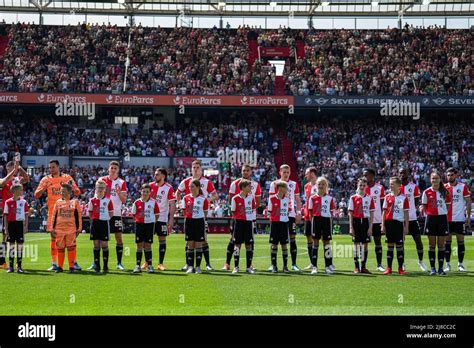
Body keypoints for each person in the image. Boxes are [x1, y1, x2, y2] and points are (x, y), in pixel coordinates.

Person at [34, 160, 81, 271]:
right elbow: (36, 195)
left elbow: (78, 192)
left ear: (58, 167)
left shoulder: (67, 178)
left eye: (53, 167)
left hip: (68, 214)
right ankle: (54, 263)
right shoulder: (45, 179)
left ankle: (73, 262)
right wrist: (43, 188)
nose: (51, 169)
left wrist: (73, 187)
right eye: (49, 167)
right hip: (53, 214)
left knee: (72, 239)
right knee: (54, 237)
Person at [176, 160, 218, 271]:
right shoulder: (186, 181)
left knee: (203, 239)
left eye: (197, 167)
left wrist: (206, 201)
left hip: (201, 215)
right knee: (188, 241)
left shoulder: (206, 182)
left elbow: (215, 196)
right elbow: (178, 193)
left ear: (201, 169)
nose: (195, 169)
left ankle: (208, 264)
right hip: (190, 215)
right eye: (193, 167)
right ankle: (188, 264)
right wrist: (180, 203)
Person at [90, 161, 128, 271]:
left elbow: (124, 200)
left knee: (118, 237)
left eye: (115, 168)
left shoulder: (121, 182)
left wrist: (119, 193)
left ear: (118, 170)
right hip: (101, 215)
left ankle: (119, 263)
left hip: (115, 214)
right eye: (112, 168)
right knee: (97, 240)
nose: (113, 170)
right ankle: (95, 262)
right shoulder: (101, 180)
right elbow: (95, 197)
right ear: (108, 169)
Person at [223, 164, 261, 271]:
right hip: (237, 218)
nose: (245, 172)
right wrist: (240, 211)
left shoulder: (255, 185)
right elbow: (231, 201)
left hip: (250, 218)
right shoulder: (235, 183)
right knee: (233, 240)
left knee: (250, 242)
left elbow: (257, 203)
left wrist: (248, 211)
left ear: (251, 172)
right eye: (244, 171)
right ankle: (227, 263)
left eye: (247, 171)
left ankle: (249, 264)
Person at [268, 164, 302, 271]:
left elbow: (297, 199)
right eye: (284, 172)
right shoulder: (274, 184)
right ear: (280, 172)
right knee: (275, 241)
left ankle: (294, 264)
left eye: (288, 172)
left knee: (292, 238)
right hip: (277, 216)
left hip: (290, 214)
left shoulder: (294, 184)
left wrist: (299, 212)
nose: (286, 174)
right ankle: (273, 265)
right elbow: (272, 199)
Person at [141, 168, 176, 271]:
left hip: (162, 218)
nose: (155, 176)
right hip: (149, 218)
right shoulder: (150, 186)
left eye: (157, 175)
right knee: (146, 241)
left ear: (163, 176)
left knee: (162, 239)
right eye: (155, 174)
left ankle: (160, 263)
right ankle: (147, 262)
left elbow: (172, 204)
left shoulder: (168, 188)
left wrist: (171, 219)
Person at [422, 171, 452, 276]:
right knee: (431, 244)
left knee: (441, 244)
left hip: (442, 219)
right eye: (433, 178)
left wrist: (442, 212)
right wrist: (429, 214)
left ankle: (440, 269)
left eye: (436, 178)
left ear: (440, 179)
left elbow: (448, 206)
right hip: (431, 219)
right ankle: (433, 268)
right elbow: (424, 206)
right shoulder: (426, 192)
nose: (434, 180)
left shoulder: (445, 192)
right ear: (430, 180)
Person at [0, 160, 28, 269]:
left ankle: (17, 263)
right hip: (7, 212)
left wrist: (20, 168)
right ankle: (2, 261)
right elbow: (3, 182)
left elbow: (26, 178)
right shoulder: (4, 180)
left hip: (18, 212)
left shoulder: (18, 180)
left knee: (18, 240)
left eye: (13, 168)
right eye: (9, 169)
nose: (11, 171)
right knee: (5, 237)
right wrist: (14, 170)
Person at [399, 168, 427, 271]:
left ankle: (420, 261)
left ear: (408, 174)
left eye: (404, 172)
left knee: (418, 240)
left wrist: (410, 212)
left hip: (412, 218)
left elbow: (416, 202)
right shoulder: (397, 187)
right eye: (400, 173)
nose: (402, 174)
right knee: (401, 242)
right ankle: (402, 264)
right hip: (400, 219)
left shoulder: (413, 187)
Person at [51, 182, 83, 273]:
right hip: (59, 230)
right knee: (60, 248)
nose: (61, 193)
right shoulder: (58, 202)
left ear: (69, 192)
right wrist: (52, 229)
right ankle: (60, 267)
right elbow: (54, 216)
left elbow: (78, 216)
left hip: (71, 230)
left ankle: (71, 267)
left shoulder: (75, 202)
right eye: (61, 191)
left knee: (71, 248)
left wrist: (79, 229)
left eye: (63, 191)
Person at [444, 167, 471, 272]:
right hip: (447, 219)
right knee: (447, 242)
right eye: (448, 175)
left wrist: (468, 216)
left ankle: (460, 264)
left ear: (456, 175)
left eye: (451, 175)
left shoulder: (462, 186)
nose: (449, 177)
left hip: (459, 219)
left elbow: (468, 201)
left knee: (460, 242)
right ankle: (448, 265)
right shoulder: (444, 187)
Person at [381, 177, 409, 275]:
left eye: (392, 184)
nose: (390, 185)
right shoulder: (387, 197)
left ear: (398, 185)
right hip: (389, 224)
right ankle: (389, 268)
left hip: (399, 224)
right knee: (390, 246)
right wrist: (382, 225)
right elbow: (384, 212)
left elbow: (406, 213)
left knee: (399, 246)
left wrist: (406, 226)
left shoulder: (404, 197)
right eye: (390, 183)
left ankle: (400, 268)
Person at [308, 177, 336, 274]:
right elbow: (310, 212)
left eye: (323, 184)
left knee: (326, 243)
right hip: (316, 220)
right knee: (315, 243)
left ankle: (328, 266)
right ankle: (314, 266)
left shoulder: (330, 198)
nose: (320, 186)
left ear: (326, 186)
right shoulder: (312, 198)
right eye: (319, 184)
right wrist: (313, 221)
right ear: (316, 185)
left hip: (326, 221)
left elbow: (332, 211)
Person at [181, 179, 209, 274]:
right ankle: (190, 267)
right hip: (189, 222)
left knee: (198, 245)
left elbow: (205, 213)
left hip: (199, 222)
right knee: (190, 245)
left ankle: (197, 267)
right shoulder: (185, 198)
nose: (190, 188)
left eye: (192, 186)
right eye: (189, 187)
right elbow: (184, 211)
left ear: (197, 187)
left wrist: (198, 217)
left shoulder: (203, 199)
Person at [348, 177, 374, 274]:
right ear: (357, 185)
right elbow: (350, 213)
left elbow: (371, 213)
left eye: (364, 185)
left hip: (365, 222)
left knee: (365, 245)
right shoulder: (353, 198)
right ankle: (356, 267)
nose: (362, 187)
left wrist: (370, 227)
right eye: (360, 185)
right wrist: (351, 227)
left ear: (366, 186)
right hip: (356, 221)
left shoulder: (369, 198)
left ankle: (363, 267)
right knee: (356, 245)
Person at [131, 184, 160, 274]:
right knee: (139, 245)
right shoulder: (136, 202)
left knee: (148, 245)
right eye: (144, 191)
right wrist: (139, 220)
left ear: (150, 192)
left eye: (147, 191)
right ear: (141, 191)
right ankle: (137, 266)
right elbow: (133, 214)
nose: (145, 193)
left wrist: (152, 221)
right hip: (139, 225)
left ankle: (150, 266)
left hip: (149, 225)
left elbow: (157, 214)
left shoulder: (153, 202)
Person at [230, 179, 256, 274]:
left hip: (248, 223)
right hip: (239, 223)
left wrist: (253, 222)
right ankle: (236, 267)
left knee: (249, 245)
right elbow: (233, 211)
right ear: (243, 187)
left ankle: (249, 267)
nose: (250, 188)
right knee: (237, 245)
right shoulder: (235, 198)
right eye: (249, 186)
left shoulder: (251, 197)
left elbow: (253, 210)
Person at [88, 180, 114, 273]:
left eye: (102, 187)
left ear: (105, 189)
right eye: (98, 187)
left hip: (104, 223)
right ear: (96, 188)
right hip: (95, 223)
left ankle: (105, 266)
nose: (100, 189)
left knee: (104, 245)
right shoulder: (92, 200)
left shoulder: (108, 200)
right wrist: (94, 219)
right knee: (96, 245)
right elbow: (90, 213)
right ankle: (97, 266)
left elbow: (111, 213)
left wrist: (104, 218)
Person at [3, 183, 29, 273]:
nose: (22, 191)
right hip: (11, 225)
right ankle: (11, 267)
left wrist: (25, 226)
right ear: (14, 191)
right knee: (11, 246)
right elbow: (5, 216)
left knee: (20, 246)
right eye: (20, 189)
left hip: (19, 225)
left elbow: (26, 215)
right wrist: (6, 228)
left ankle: (19, 267)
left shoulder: (24, 202)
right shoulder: (8, 202)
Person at [363, 168, 386, 272]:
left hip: (376, 219)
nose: (365, 177)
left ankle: (379, 264)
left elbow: (382, 205)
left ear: (372, 176)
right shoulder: (362, 188)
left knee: (378, 242)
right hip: (364, 220)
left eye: (366, 175)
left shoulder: (380, 188)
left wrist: (382, 220)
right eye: (363, 175)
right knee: (364, 243)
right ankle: (363, 265)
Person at [267, 181, 292, 273]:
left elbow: (289, 210)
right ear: (280, 188)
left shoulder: (287, 199)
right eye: (285, 188)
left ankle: (285, 267)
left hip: (284, 224)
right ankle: (274, 266)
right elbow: (269, 211)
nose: (287, 190)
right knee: (274, 244)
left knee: (284, 244)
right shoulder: (272, 198)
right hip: (275, 224)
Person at [303, 167, 318, 270]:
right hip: (308, 215)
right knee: (308, 237)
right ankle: (312, 263)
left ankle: (329, 263)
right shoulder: (306, 186)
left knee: (321, 239)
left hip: (317, 216)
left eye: (307, 173)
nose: (305, 175)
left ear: (312, 174)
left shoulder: (321, 184)